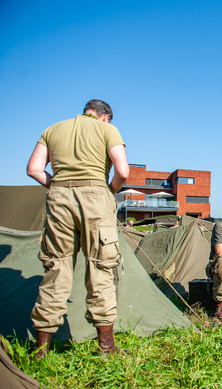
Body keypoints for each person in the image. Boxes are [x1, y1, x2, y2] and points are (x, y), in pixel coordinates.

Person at [26, 99, 129, 358]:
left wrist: (58, 187)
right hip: (95, 196)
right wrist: (108, 191)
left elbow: (34, 169)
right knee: (100, 267)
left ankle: (41, 349)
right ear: (105, 117)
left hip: (59, 195)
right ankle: (106, 346)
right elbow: (123, 171)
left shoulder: (51, 130)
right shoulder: (107, 130)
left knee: (55, 268)